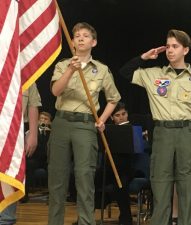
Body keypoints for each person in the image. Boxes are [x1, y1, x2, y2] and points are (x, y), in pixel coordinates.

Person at [120, 29, 191, 225]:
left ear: (185, 50)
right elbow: (125, 72)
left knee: (187, 186)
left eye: (175, 46)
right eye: (168, 46)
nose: (170, 50)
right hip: (162, 132)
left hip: (187, 132)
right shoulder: (154, 74)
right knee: (160, 184)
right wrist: (144, 57)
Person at [47, 22, 121, 225]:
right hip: (61, 122)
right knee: (57, 181)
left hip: (85, 125)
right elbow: (55, 91)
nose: (80, 38)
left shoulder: (102, 70)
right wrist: (71, 70)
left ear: (93, 42)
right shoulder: (63, 64)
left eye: (85, 35)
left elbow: (113, 98)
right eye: (77, 35)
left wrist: (102, 119)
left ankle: (86, 222)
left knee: (84, 179)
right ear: (72, 41)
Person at [0, 83, 41, 224]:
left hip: (14, 134)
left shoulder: (25, 70)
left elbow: (33, 104)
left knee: (10, 176)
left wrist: (33, 133)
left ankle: (6, 219)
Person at [21, 111, 52, 203]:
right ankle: (24, 195)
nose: (43, 121)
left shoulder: (54, 133)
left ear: (50, 122)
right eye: (41, 119)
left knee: (55, 168)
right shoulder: (31, 132)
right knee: (28, 165)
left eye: (45, 119)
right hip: (35, 158)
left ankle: (53, 197)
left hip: (48, 159)